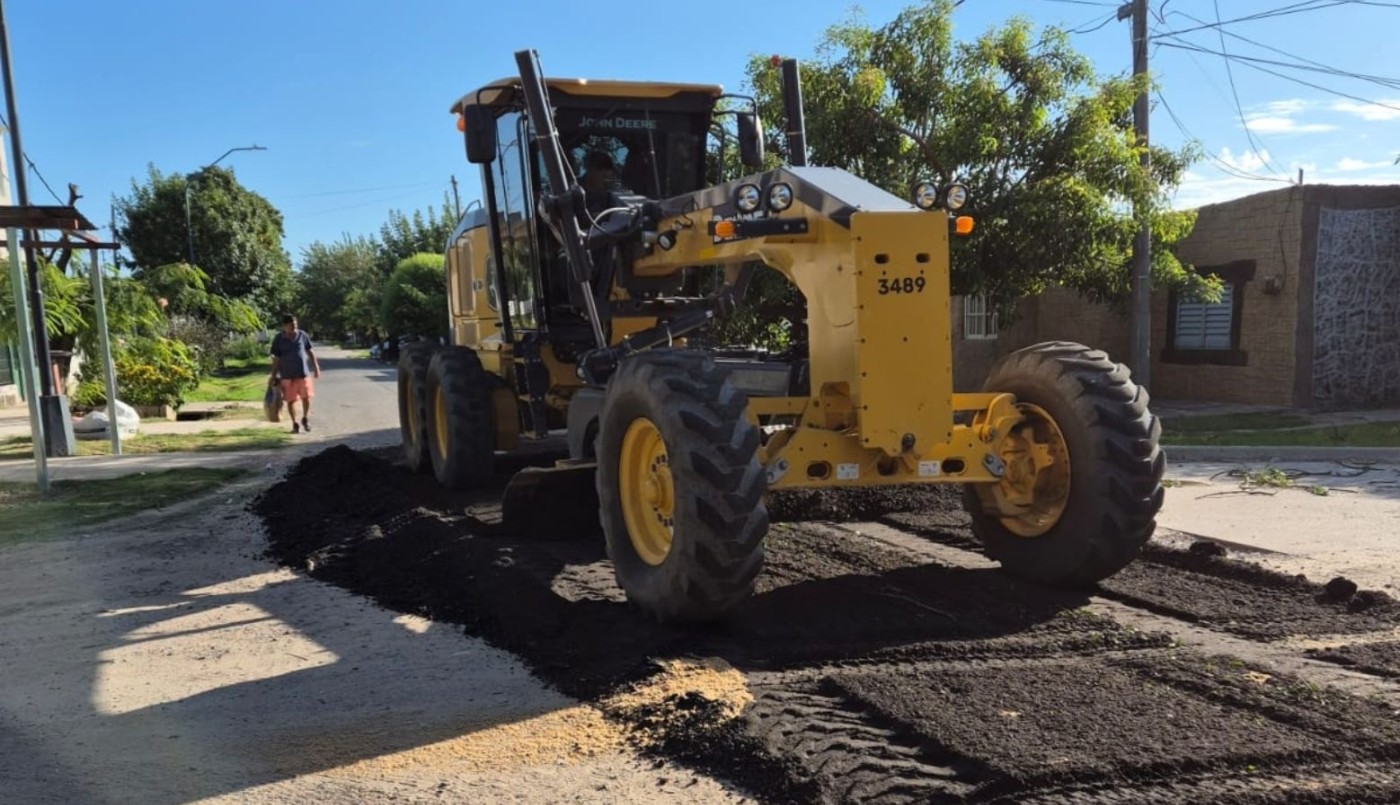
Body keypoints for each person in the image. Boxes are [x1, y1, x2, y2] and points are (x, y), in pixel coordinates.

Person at [269, 314, 321, 433]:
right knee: (290, 400)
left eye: (295, 324)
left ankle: (305, 418)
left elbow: (309, 351)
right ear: (284, 326)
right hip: (286, 376)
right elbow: (276, 359)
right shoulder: (278, 339)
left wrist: (316, 367)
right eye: (291, 324)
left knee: (306, 397)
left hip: (303, 374)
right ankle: (295, 423)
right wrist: (273, 375)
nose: (294, 327)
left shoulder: (302, 335)